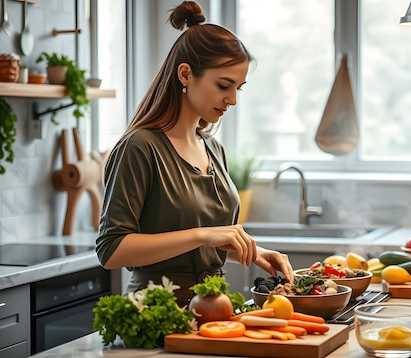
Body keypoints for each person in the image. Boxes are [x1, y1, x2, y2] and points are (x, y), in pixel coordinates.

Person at [95, 1, 294, 306]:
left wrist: (257, 252)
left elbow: (209, 235)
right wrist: (203, 234)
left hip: (214, 306)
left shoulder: (213, 149)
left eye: (238, 88)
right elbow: (112, 250)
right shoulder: (140, 147)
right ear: (186, 74)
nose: (232, 100)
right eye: (223, 85)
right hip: (157, 312)